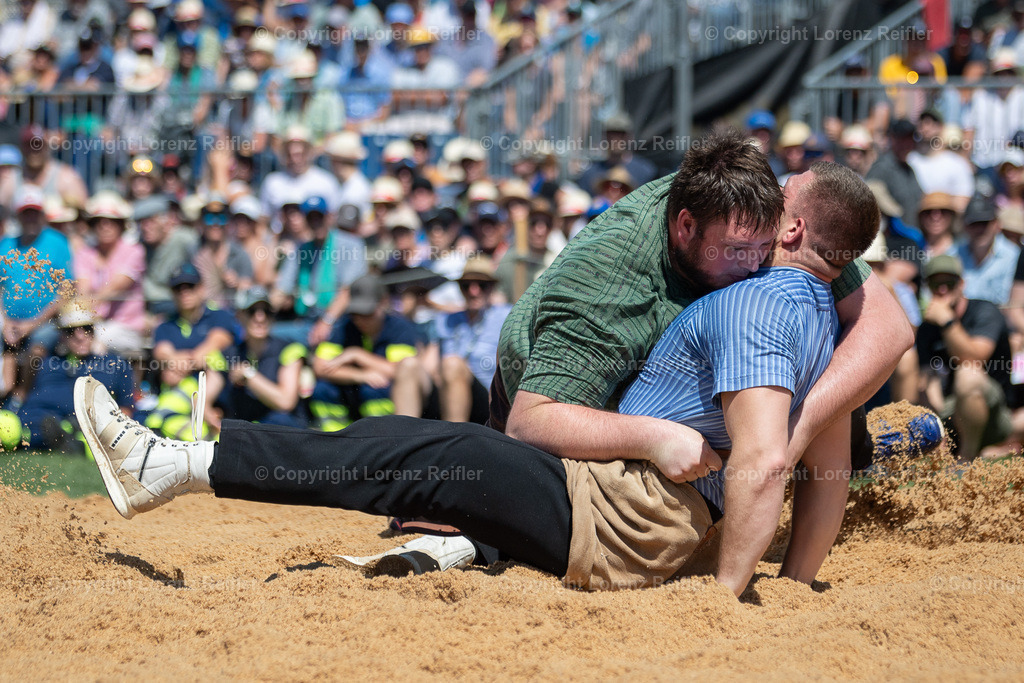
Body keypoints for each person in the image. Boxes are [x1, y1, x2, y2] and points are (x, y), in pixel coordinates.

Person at [75, 160, 889, 595]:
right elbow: (836, 437)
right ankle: (474, 543)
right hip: (609, 492)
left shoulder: (757, 306)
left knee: (423, 454)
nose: (771, 192)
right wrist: (796, 579)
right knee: (437, 458)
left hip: (615, 510)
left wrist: (728, 597)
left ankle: (175, 466)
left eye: (781, 198)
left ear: (789, 225)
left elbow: (765, 463)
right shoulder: (821, 312)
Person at [917, 255, 1013, 462]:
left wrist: (947, 322)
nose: (942, 289)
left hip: (996, 413)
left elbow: (974, 358)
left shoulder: (984, 311)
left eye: (949, 283)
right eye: (935, 283)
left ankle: (967, 458)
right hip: (955, 411)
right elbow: (927, 380)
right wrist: (937, 431)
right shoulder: (927, 327)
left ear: (962, 284)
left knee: (968, 372)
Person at [19, 306, 133, 453]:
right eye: (71, 331)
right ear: (62, 335)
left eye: (86, 329)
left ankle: (69, 440)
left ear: (93, 331)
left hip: (89, 426)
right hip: (38, 421)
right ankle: (63, 439)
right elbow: (26, 398)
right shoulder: (45, 363)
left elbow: (127, 409)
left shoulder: (115, 364)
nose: (80, 336)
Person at [435, 257, 511, 424]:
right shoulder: (446, 320)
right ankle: (402, 440)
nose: (473, 291)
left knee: (452, 363)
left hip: (488, 397)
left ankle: (453, 439)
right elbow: (431, 362)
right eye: (466, 285)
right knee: (409, 365)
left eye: (481, 285)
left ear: (491, 288)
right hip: (448, 387)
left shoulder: (506, 316)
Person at [220, 288, 307, 428]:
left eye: (266, 312)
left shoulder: (290, 350)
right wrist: (207, 411)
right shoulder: (230, 353)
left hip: (282, 434)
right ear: (239, 316)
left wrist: (249, 375)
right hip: (246, 435)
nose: (260, 318)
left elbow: (286, 401)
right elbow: (209, 389)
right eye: (252, 311)